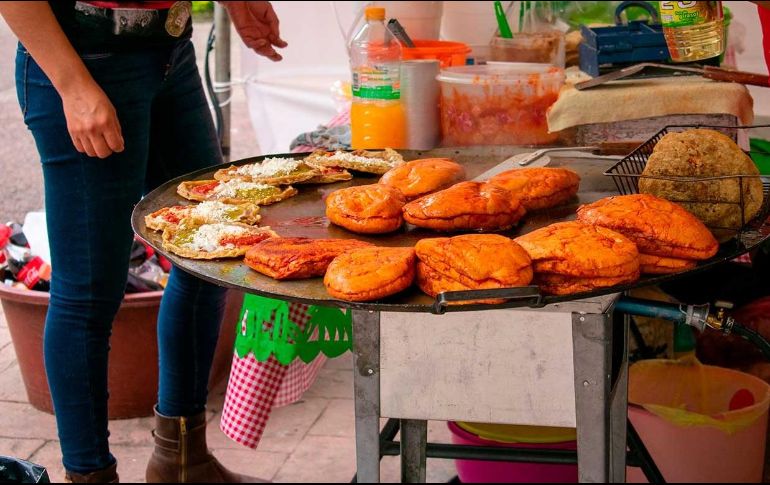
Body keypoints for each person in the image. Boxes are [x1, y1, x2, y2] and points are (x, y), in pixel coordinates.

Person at [0, 1, 286, 482]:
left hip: (169, 49)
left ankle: (183, 463)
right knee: (89, 294)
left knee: (206, 260)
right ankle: (90, 475)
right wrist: (73, 88)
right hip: (84, 57)